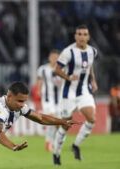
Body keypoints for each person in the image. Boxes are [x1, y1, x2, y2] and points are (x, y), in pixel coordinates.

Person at [52, 25, 98, 165]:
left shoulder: (92, 51)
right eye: (79, 34)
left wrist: (93, 80)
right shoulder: (68, 52)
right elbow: (57, 69)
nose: (82, 37)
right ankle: (56, 153)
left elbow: (89, 66)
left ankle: (76, 145)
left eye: (85, 34)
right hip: (69, 93)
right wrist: (68, 77)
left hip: (84, 90)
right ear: (75, 36)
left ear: (88, 37)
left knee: (91, 119)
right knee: (65, 124)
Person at [36, 49, 61, 152]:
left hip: (59, 101)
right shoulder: (42, 69)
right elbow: (38, 79)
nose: (55, 59)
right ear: (49, 58)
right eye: (53, 57)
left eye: (57, 57)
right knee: (52, 119)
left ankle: (52, 142)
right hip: (47, 100)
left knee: (57, 123)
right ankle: (49, 143)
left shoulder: (61, 70)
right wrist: (38, 90)